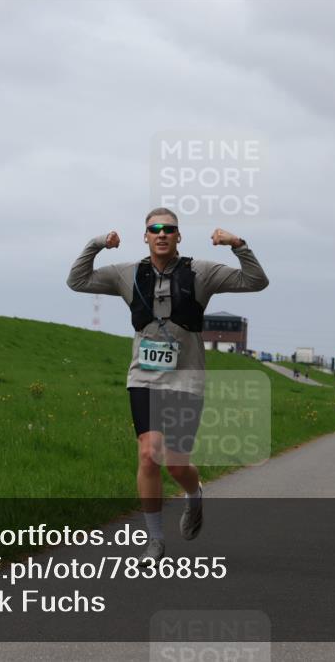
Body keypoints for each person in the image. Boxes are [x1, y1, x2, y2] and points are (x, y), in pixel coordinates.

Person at [67, 208, 268, 565]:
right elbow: (77, 281)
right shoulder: (127, 273)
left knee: (176, 465)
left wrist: (238, 244)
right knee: (148, 453)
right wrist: (98, 244)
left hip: (186, 380)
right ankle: (155, 541)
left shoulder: (201, 272)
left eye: (169, 229)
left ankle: (194, 495)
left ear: (178, 236)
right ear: (145, 236)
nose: (161, 234)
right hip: (143, 377)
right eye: (154, 229)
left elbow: (256, 281)